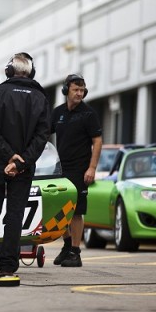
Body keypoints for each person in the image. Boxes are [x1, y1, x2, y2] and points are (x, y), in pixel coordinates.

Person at [0, 52, 51, 280]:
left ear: (10, 71)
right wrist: (20, 161)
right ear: (32, 72)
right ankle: (8, 267)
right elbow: (42, 137)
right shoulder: (41, 98)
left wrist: (9, 156)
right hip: (23, 167)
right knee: (15, 214)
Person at [51, 74, 102, 268]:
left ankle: (75, 252)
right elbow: (43, 133)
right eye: (76, 89)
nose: (79, 93)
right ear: (66, 90)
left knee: (76, 212)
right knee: (58, 209)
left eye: (82, 90)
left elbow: (97, 141)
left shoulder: (89, 114)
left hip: (80, 170)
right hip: (60, 169)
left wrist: (92, 168)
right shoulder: (58, 113)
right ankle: (66, 245)